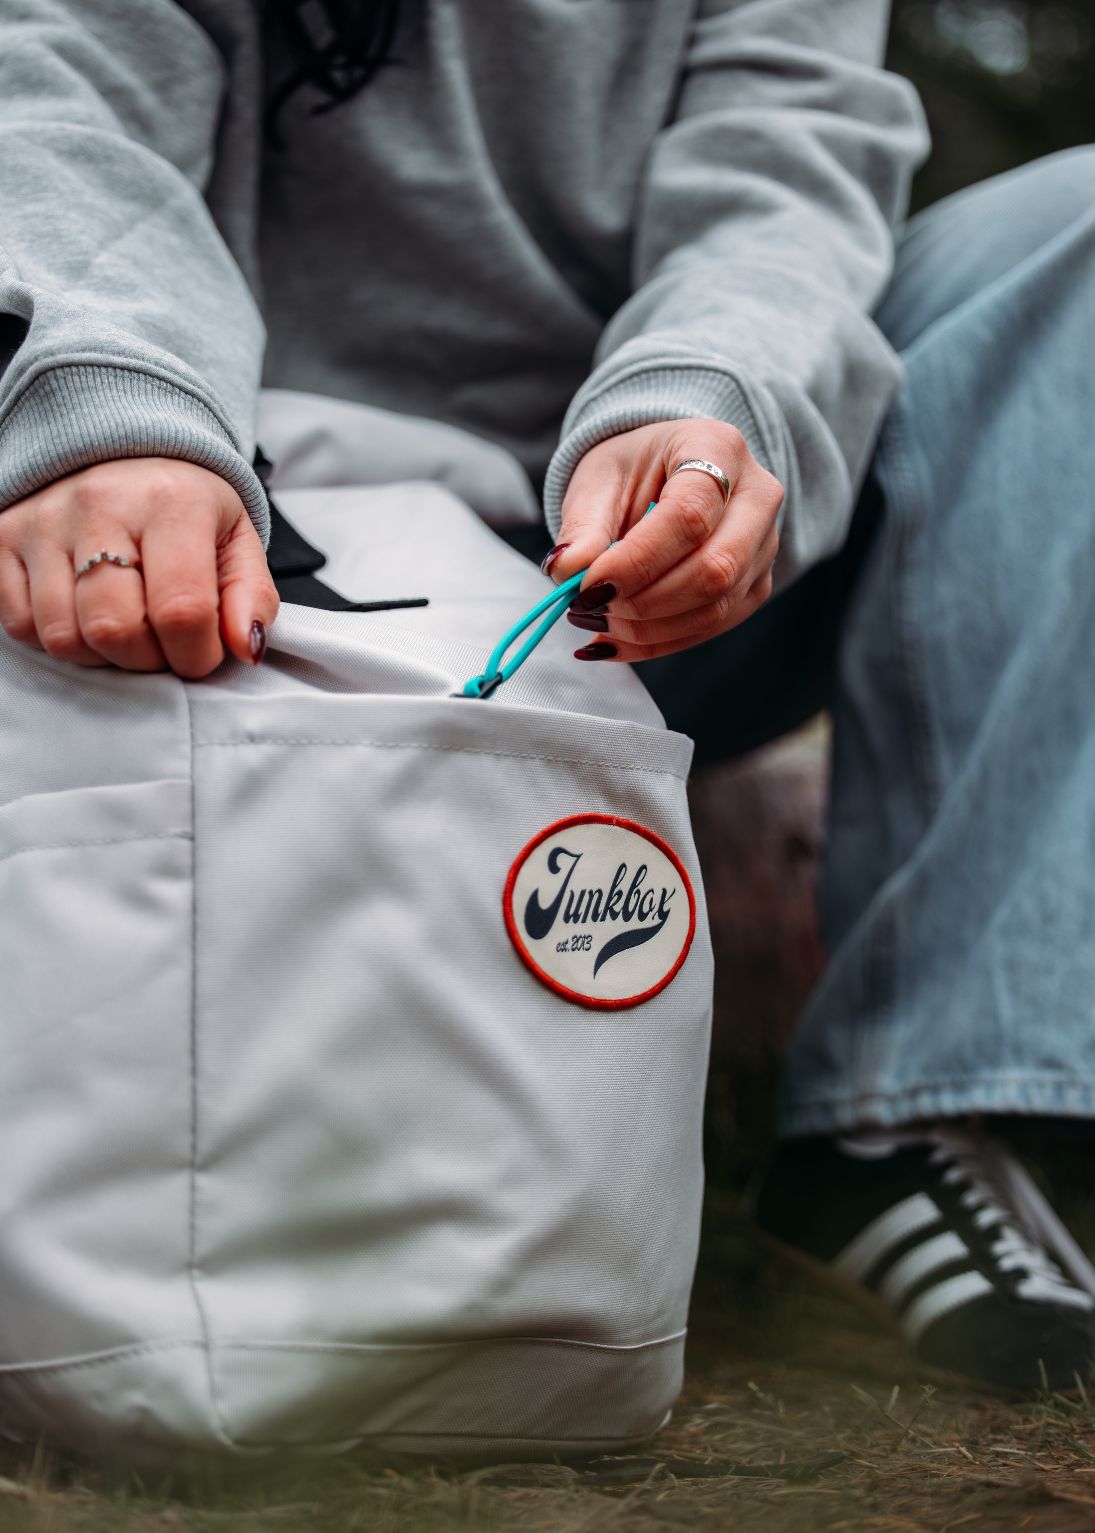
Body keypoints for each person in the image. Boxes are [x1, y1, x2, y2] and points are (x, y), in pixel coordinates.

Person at [1, 0, 1093, 1393]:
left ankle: (901, 1117)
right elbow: (59, 80)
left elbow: (789, 159)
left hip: (617, 578)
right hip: (214, 525)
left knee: (1074, 225)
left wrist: (709, 397)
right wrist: (114, 387)